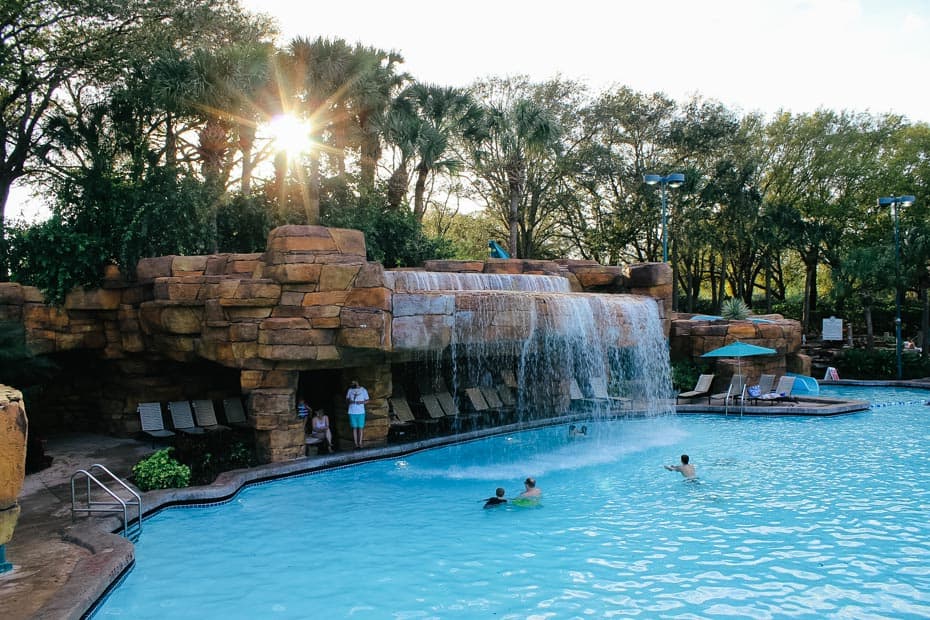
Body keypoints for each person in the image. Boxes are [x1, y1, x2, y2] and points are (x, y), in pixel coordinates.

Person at [345, 380, 369, 449]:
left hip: (361, 412)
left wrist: (361, 402)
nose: (352, 384)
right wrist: (350, 401)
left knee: (360, 428)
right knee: (354, 428)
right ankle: (355, 443)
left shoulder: (363, 390)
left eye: (353, 383)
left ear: (357, 382)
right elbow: (346, 400)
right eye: (351, 383)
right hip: (352, 412)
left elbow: (367, 400)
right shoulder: (350, 390)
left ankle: (360, 443)